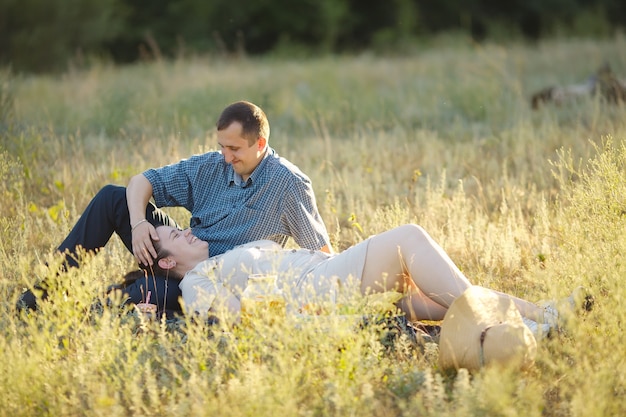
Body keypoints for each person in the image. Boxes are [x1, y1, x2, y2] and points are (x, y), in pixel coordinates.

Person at [18, 101, 333, 315]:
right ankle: (35, 300)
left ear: (260, 144)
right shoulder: (212, 166)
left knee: (148, 293)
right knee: (113, 197)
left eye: (234, 149)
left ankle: (86, 312)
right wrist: (140, 224)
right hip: (179, 249)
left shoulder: (288, 184)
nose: (225, 157)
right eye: (222, 146)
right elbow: (143, 180)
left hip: (211, 283)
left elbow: (321, 255)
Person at [130, 223, 591, 337]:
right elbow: (238, 320)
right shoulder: (195, 284)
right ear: (168, 263)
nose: (185, 230)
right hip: (316, 292)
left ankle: (541, 319)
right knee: (407, 237)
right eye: (175, 234)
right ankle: (538, 322)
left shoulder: (223, 256)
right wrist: (306, 319)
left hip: (325, 278)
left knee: (434, 299)